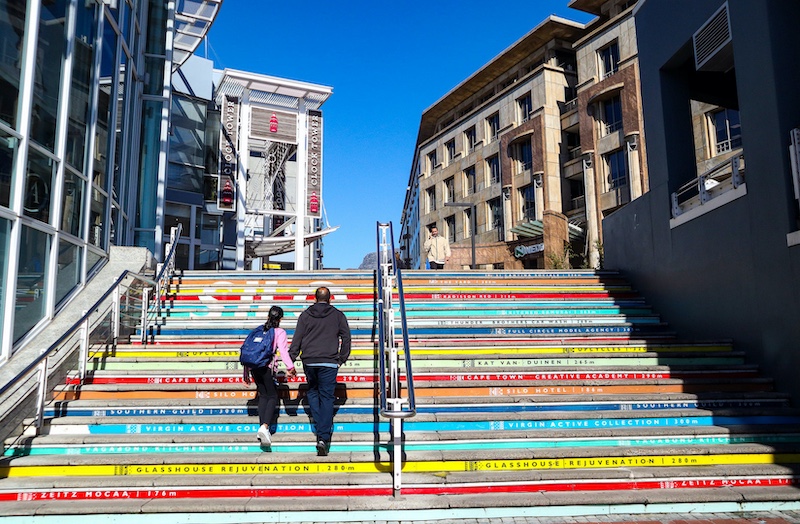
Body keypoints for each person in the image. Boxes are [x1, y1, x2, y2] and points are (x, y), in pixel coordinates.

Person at [288, 286, 351, 456]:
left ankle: (320, 428)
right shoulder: (338, 315)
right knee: (327, 396)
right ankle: (323, 435)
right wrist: (341, 358)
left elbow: (297, 339)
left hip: (310, 361)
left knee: (313, 393)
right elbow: (346, 337)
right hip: (329, 362)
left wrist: (290, 360)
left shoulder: (305, 315)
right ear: (330, 298)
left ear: (315, 298)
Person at [242, 305, 297, 447]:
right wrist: (290, 367)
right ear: (281, 318)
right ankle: (265, 427)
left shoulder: (259, 330)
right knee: (272, 395)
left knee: (263, 395)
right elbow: (284, 352)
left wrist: (245, 373)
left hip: (254, 367)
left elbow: (248, 350)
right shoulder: (279, 332)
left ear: (268, 316)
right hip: (267, 366)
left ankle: (262, 427)